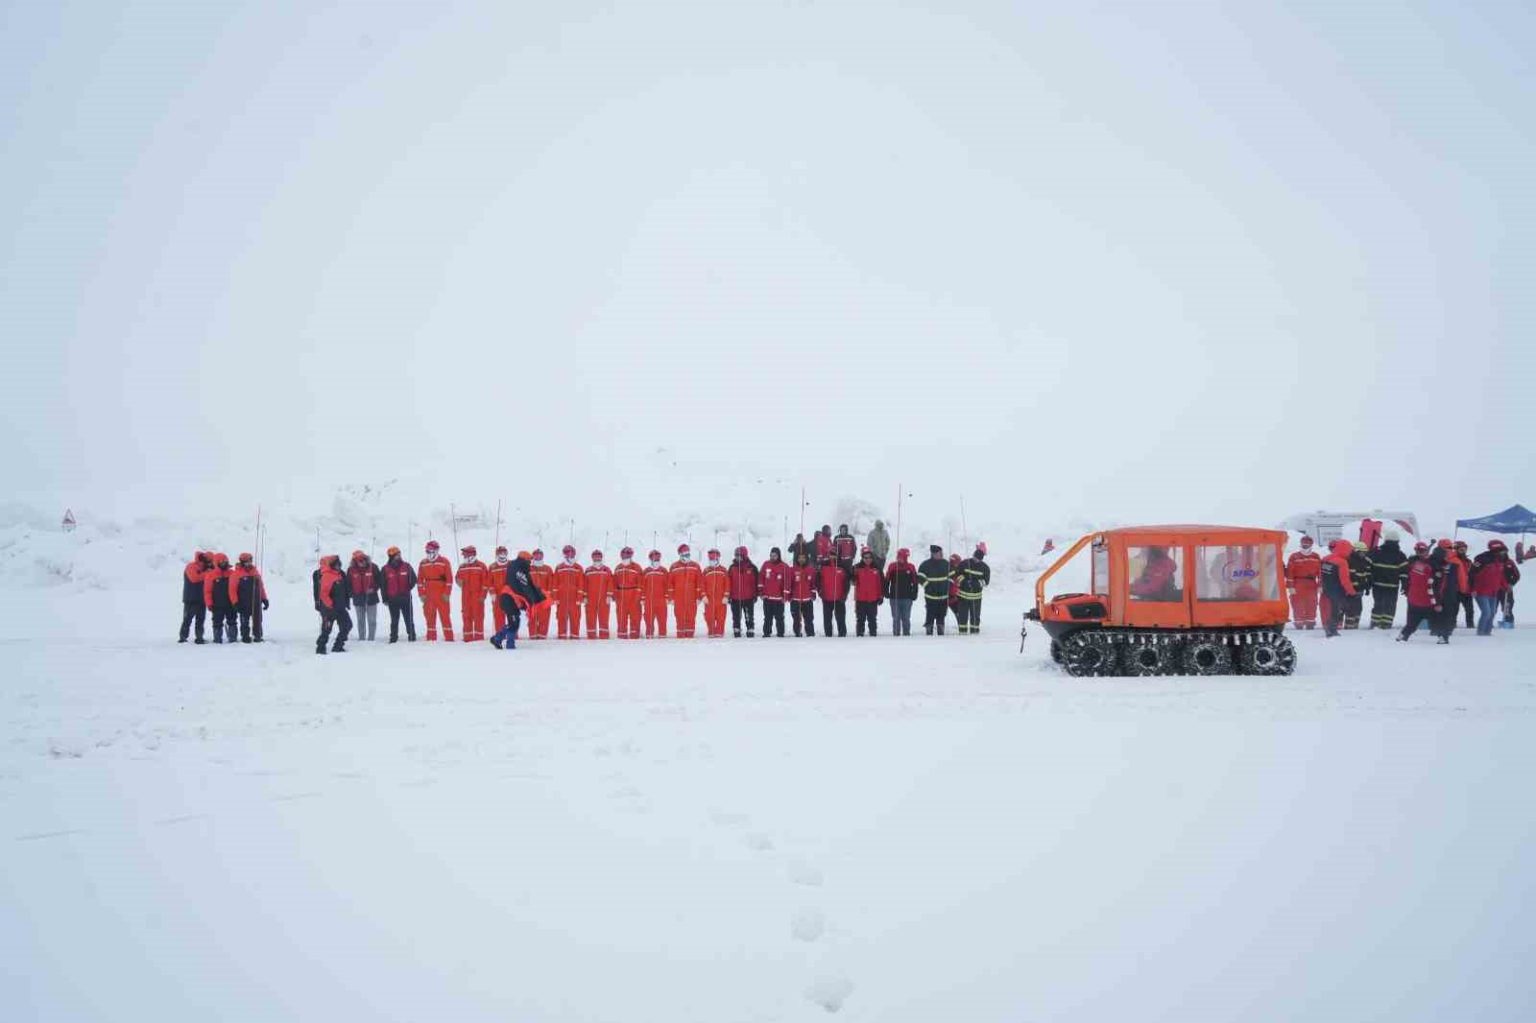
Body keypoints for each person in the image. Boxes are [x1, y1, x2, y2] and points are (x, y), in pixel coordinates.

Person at [490, 551, 545, 649]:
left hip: (512, 600)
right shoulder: (516, 569)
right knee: (514, 623)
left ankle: (501, 640)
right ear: (524, 560)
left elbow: (528, 586)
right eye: (529, 561)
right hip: (509, 599)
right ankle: (502, 641)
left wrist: (537, 596)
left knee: (515, 622)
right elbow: (523, 587)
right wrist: (534, 598)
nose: (530, 563)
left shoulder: (519, 569)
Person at [1471, 540, 1520, 636]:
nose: (1503, 553)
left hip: (1493, 592)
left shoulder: (1501, 562)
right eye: (1502, 551)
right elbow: (1472, 575)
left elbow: (1500, 577)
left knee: (1492, 613)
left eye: (1504, 551)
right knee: (1486, 612)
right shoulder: (1482, 560)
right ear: (1496, 551)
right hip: (1481, 591)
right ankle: (1481, 632)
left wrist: (1507, 586)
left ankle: (1487, 632)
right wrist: (1472, 589)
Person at [1397, 543, 1438, 641]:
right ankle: (1441, 636)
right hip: (1421, 597)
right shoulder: (1416, 563)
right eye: (1418, 551)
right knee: (1430, 618)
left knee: (1413, 621)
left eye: (1422, 551)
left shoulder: (1415, 562)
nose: (1420, 553)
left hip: (1418, 596)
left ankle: (1403, 636)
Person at [1367, 532, 1409, 629]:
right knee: (1390, 605)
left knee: (1378, 604)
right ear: (1397, 542)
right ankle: (1386, 624)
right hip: (1392, 586)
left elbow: (1367, 565)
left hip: (1377, 585)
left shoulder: (1376, 552)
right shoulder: (1400, 555)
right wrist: (1404, 584)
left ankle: (1375, 624)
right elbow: (1404, 572)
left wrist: (1369, 580)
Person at [314, 555, 352, 654]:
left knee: (347, 625)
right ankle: (320, 648)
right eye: (336, 564)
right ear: (331, 565)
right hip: (329, 609)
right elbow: (323, 594)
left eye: (339, 564)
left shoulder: (340, 574)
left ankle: (338, 645)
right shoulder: (327, 575)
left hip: (341, 608)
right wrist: (330, 605)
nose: (338, 566)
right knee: (326, 629)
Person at [417, 541, 454, 641]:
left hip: (441, 593)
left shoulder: (444, 561)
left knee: (445, 616)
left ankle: (449, 638)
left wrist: (447, 593)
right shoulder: (423, 563)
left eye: (431, 551)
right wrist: (421, 594)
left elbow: (449, 579)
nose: (429, 553)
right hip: (429, 593)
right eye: (427, 551)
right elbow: (419, 580)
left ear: (436, 550)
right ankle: (431, 638)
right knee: (429, 616)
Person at [1320, 539, 1357, 637]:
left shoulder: (1325, 559)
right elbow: (1345, 580)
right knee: (1335, 610)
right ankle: (1332, 629)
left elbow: (1321, 574)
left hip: (1326, 589)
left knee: (1328, 610)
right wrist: (1352, 592)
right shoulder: (1342, 562)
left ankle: (1328, 627)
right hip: (1337, 590)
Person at [381, 545, 418, 642]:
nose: (399, 556)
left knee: (409, 619)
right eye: (397, 555)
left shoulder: (407, 566)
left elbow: (414, 579)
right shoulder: (385, 569)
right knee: (394, 620)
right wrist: (384, 598)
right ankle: (393, 637)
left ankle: (412, 636)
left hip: (406, 598)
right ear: (391, 557)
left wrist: (410, 585)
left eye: (399, 554)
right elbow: (383, 585)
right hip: (392, 599)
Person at [229, 552, 269, 643]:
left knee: (258, 620)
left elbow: (261, 587)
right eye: (247, 562)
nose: (249, 563)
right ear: (242, 562)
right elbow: (232, 590)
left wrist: (264, 599)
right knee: (244, 621)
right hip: (243, 602)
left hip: (256, 601)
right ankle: (245, 636)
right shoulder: (236, 574)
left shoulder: (255, 572)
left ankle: (258, 635)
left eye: (250, 561)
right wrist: (235, 602)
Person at [1285, 536, 1322, 629]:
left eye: (1307, 545)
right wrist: (1290, 586)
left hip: (1311, 583)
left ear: (1311, 545)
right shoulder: (1294, 556)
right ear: (1301, 544)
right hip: (1298, 583)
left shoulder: (1315, 556)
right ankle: (1299, 623)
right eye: (1304, 544)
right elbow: (1289, 572)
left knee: (1312, 603)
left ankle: (1310, 622)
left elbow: (1320, 573)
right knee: (1297, 603)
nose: (1305, 546)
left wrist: (1320, 585)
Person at [454, 546, 489, 642]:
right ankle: (467, 638)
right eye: (464, 556)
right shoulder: (462, 567)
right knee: (466, 616)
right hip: (465, 596)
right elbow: (457, 577)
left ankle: (478, 638)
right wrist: (458, 581)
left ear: (472, 555)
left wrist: (483, 596)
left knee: (478, 616)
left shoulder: (481, 566)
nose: (464, 557)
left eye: (465, 555)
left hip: (477, 596)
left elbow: (486, 582)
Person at [954, 543, 991, 635]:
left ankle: (974, 633)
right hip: (963, 596)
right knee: (962, 616)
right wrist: (964, 582)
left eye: (978, 559)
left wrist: (976, 584)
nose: (976, 560)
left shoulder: (985, 568)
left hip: (976, 598)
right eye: (975, 557)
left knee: (975, 617)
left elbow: (986, 581)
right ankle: (962, 632)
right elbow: (957, 574)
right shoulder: (964, 563)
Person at [348, 550, 383, 641]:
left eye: (363, 559)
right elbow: (348, 584)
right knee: (360, 620)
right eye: (360, 560)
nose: (362, 562)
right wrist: (353, 593)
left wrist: (374, 589)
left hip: (372, 598)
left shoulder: (373, 567)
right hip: (358, 599)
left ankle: (371, 639)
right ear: (355, 561)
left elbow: (380, 581)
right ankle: (361, 638)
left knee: (372, 620)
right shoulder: (351, 570)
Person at [552, 545, 585, 640]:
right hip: (562, 597)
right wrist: (555, 597)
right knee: (561, 616)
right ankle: (562, 635)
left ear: (574, 554)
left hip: (574, 598)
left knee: (575, 617)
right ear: (564, 554)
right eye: (567, 552)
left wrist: (579, 598)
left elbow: (581, 584)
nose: (569, 554)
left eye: (571, 552)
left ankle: (575, 635)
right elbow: (555, 583)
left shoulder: (578, 567)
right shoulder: (559, 567)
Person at [670, 544, 703, 638]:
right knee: (679, 615)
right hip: (678, 597)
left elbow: (699, 582)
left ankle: (690, 635)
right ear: (680, 555)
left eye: (688, 554)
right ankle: (680, 634)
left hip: (691, 596)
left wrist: (698, 597)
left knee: (691, 615)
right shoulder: (674, 566)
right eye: (685, 555)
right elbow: (670, 584)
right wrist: (671, 597)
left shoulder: (695, 566)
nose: (687, 557)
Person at [917, 545, 952, 635]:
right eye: (939, 553)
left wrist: (948, 585)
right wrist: (928, 586)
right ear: (933, 554)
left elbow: (952, 576)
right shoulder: (925, 564)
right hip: (931, 596)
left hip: (943, 596)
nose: (941, 554)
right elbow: (920, 577)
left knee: (942, 614)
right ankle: (929, 630)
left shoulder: (946, 563)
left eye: (941, 553)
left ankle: (941, 630)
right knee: (930, 614)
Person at [884, 547, 918, 636]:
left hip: (907, 597)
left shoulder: (911, 567)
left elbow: (915, 582)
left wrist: (914, 593)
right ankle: (896, 634)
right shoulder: (892, 566)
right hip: (894, 597)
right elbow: (887, 580)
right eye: (898, 556)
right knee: (896, 618)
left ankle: (906, 634)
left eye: (902, 556)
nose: (899, 558)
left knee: (906, 618)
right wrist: (886, 591)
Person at [179, 550, 212, 644]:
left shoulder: (205, 568)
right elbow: (194, 578)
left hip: (202, 598)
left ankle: (199, 638)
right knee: (187, 619)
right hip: (191, 598)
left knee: (200, 620)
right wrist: (207, 573)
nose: (210, 563)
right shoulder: (191, 566)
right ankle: (183, 638)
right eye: (209, 561)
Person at [204, 553, 237, 644]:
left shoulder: (232, 573)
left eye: (225, 561)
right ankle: (217, 639)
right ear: (217, 562)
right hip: (217, 605)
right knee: (217, 622)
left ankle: (233, 639)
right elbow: (207, 591)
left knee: (232, 621)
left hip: (230, 604)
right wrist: (209, 603)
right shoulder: (211, 575)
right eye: (222, 562)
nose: (224, 563)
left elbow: (236, 588)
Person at [728, 546, 759, 637]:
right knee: (736, 616)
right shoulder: (732, 568)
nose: (737, 557)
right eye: (736, 555)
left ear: (744, 556)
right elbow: (728, 582)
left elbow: (757, 582)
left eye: (740, 555)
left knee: (749, 615)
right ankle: (736, 629)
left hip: (749, 597)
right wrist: (729, 595)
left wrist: (756, 594)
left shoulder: (752, 568)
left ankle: (750, 629)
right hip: (735, 597)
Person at [758, 547, 790, 637]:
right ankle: (767, 633)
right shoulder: (766, 564)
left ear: (778, 556)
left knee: (779, 617)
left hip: (779, 598)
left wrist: (785, 595)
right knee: (767, 617)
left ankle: (780, 633)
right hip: (767, 597)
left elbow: (787, 582)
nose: (773, 557)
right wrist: (761, 592)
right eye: (771, 555)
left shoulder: (784, 566)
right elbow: (761, 578)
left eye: (775, 555)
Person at [613, 547, 644, 640]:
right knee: (621, 615)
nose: (625, 558)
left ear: (631, 556)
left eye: (627, 556)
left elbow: (640, 583)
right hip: (621, 594)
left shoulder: (637, 567)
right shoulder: (618, 568)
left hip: (633, 593)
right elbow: (614, 582)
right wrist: (615, 595)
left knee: (635, 615)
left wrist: (638, 596)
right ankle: (622, 635)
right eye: (623, 556)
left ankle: (635, 634)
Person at [852, 548, 884, 636]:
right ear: (862, 558)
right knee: (860, 618)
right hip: (860, 598)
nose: (868, 559)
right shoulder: (857, 567)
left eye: (869, 557)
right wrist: (853, 577)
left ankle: (873, 633)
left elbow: (881, 583)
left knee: (872, 618)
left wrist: (881, 596)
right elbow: (852, 581)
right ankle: (860, 634)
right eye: (865, 557)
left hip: (873, 598)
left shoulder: (877, 568)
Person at [584, 549, 614, 639]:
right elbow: (585, 584)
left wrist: (609, 595)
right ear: (592, 558)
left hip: (603, 598)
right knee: (590, 616)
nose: (597, 559)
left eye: (598, 557)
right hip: (591, 598)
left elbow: (610, 582)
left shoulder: (606, 570)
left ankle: (604, 635)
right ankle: (591, 635)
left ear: (601, 558)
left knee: (604, 616)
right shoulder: (588, 570)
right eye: (595, 557)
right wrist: (585, 596)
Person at [818, 555, 851, 637]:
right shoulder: (823, 566)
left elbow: (847, 582)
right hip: (826, 597)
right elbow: (818, 580)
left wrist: (845, 594)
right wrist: (820, 591)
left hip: (839, 598)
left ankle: (842, 634)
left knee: (840, 618)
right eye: (831, 555)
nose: (832, 557)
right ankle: (828, 634)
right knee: (827, 618)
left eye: (834, 555)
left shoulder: (842, 567)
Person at [701, 549, 729, 637]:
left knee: (721, 617)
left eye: (713, 560)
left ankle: (719, 632)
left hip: (721, 598)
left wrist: (726, 596)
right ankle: (711, 631)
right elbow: (702, 584)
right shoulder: (706, 571)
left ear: (718, 559)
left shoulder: (723, 570)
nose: (712, 561)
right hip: (709, 599)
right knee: (709, 616)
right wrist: (703, 595)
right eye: (710, 560)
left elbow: (727, 584)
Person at [642, 550, 671, 637]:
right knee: (648, 618)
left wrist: (667, 597)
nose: (656, 562)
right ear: (651, 560)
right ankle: (649, 634)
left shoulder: (664, 571)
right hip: (649, 600)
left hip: (661, 599)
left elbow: (667, 585)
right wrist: (643, 598)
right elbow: (643, 585)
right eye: (655, 560)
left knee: (662, 618)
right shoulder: (646, 571)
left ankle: (662, 634)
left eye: (658, 560)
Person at [788, 551, 818, 637]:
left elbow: (813, 583)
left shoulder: (811, 570)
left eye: (803, 558)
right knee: (796, 619)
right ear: (797, 559)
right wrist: (789, 595)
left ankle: (810, 633)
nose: (801, 559)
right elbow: (789, 583)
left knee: (809, 618)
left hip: (807, 599)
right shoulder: (792, 569)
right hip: (795, 599)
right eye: (799, 558)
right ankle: (797, 632)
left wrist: (813, 594)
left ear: (806, 559)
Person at [1342, 542, 1371, 629]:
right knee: (1350, 608)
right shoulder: (1350, 561)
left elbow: (1365, 574)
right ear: (1356, 551)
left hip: (1360, 589)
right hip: (1352, 590)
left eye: (1365, 552)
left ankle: (1355, 625)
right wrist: (1355, 588)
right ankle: (1349, 627)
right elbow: (1351, 576)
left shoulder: (1364, 561)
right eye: (1362, 552)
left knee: (1358, 608)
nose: (1364, 554)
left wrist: (1367, 586)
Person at [528, 550, 555, 639]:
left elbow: (551, 583)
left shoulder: (548, 569)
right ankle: (533, 634)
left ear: (542, 556)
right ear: (533, 557)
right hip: (532, 596)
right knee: (532, 615)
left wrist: (549, 595)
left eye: (540, 555)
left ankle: (542, 635)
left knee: (544, 616)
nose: (538, 557)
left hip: (544, 597)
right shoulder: (528, 568)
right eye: (536, 555)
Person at [488, 547, 512, 637]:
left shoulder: (511, 565)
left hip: (510, 595)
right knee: (498, 616)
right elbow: (489, 582)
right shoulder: (492, 567)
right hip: (498, 595)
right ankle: (500, 634)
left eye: (504, 552)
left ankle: (512, 634)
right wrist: (492, 592)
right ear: (496, 554)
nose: (502, 554)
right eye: (500, 553)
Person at [1452, 540, 1476, 628]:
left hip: (1467, 589)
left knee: (1470, 610)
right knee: (1454, 609)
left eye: (1464, 549)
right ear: (1456, 550)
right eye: (1461, 550)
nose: (1463, 551)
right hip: (1456, 589)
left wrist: (1473, 588)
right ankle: (1452, 625)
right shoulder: (1453, 561)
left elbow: (1472, 575)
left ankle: (1470, 626)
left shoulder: (1468, 561)